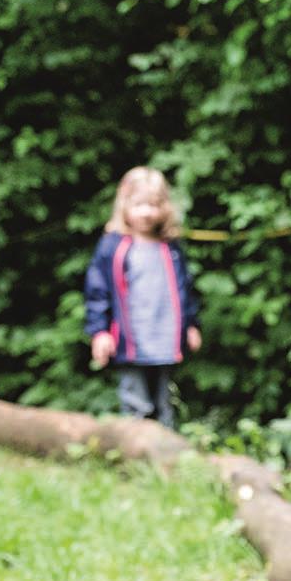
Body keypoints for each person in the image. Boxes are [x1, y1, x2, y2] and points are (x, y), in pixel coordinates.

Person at [83, 166, 202, 429]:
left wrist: (191, 324)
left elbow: (186, 288)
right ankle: (137, 457)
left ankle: (168, 456)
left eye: (154, 204)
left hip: (165, 338)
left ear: (165, 207)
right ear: (125, 206)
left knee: (166, 402)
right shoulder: (113, 246)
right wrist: (100, 332)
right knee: (136, 401)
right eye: (139, 205)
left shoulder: (170, 248)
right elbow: (97, 290)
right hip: (130, 339)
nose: (147, 212)